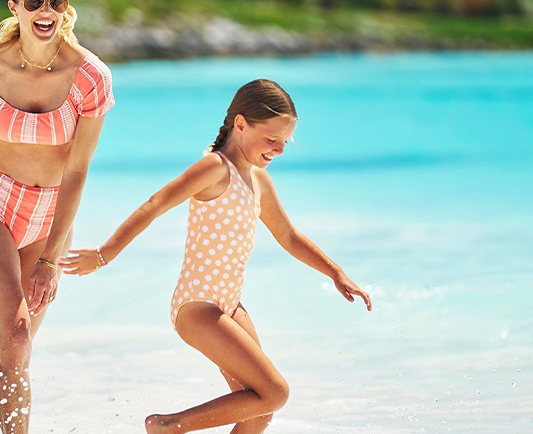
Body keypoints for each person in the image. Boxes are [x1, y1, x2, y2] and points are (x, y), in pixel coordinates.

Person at [60, 79, 371, 434]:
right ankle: (166, 426)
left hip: (231, 304)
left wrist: (336, 272)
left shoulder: (258, 179)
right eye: (271, 139)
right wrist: (104, 254)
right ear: (240, 124)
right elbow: (156, 204)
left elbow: (288, 235)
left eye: (285, 142)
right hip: (198, 306)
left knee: (259, 409)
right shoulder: (214, 168)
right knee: (275, 391)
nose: (279, 150)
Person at [0, 0, 114, 434]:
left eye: (55, 1)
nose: (46, 10)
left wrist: (50, 259)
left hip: (49, 218)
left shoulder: (89, 78)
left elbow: (78, 169)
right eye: (34, 1)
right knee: (16, 336)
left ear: (65, 9)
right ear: (15, 7)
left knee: (9, 344)